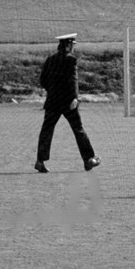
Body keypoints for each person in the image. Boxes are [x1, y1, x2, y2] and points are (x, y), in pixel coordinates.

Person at [34, 33, 100, 172]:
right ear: (69, 45)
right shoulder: (72, 60)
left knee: (47, 130)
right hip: (68, 102)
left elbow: (42, 80)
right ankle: (89, 159)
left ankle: (40, 161)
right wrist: (74, 97)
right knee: (78, 130)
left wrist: (52, 91)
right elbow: (73, 80)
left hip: (52, 101)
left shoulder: (50, 59)